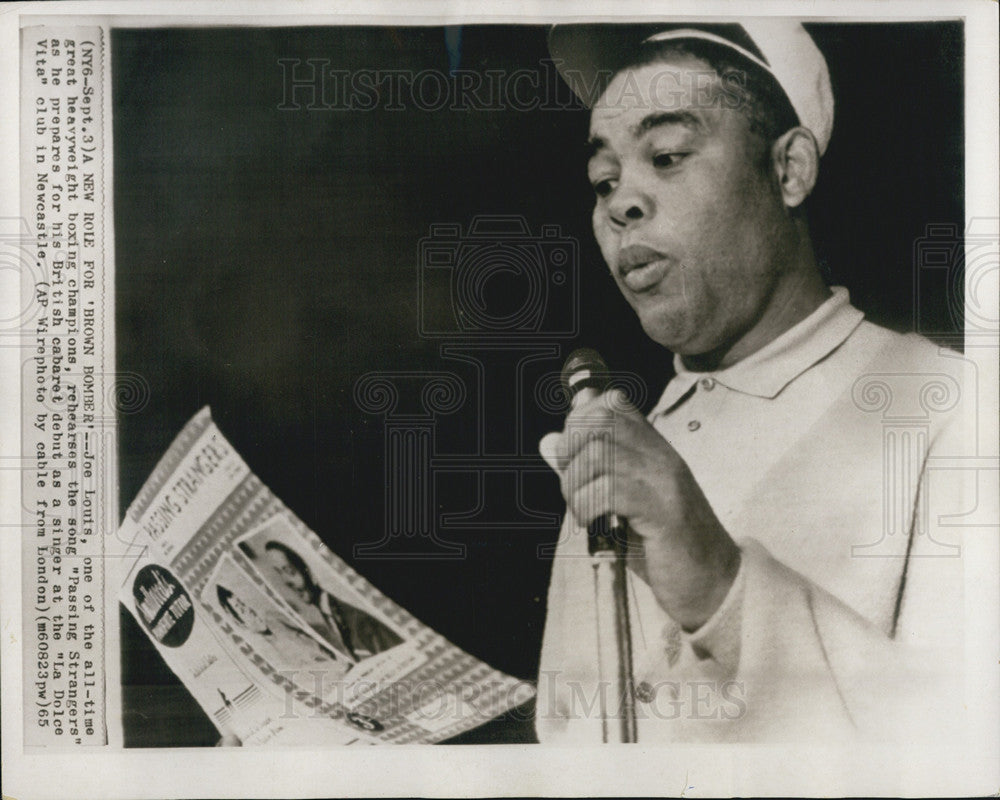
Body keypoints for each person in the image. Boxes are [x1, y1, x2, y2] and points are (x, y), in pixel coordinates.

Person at [536, 21, 972, 743]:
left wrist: (720, 587)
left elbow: (963, 755)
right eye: (603, 180)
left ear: (789, 170)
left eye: (667, 155)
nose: (621, 204)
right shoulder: (626, 446)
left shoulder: (949, 406)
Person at [251, 539, 404, 660]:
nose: (286, 581)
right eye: (279, 573)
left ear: (310, 571)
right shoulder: (329, 614)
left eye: (289, 571)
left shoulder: (356, 619)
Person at [214, 583, 346, 669]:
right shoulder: (261, 650)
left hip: (338, 663)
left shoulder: (272, 617)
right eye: (241, 610)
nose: (249, 610)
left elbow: (315, 630)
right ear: (239, 622)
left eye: (244, 604)